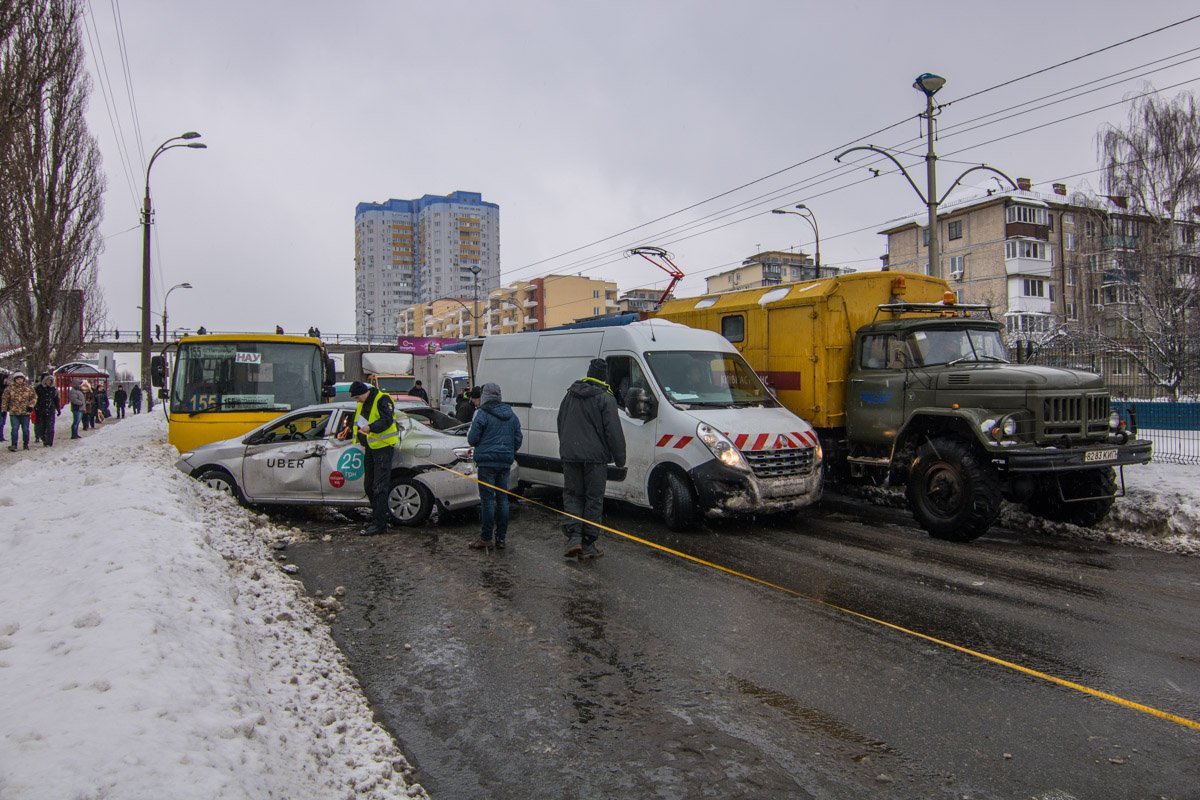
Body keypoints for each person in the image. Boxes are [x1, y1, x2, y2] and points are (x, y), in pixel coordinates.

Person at [556, 358, 626, 560]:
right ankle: (587, 544)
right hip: (595, 459)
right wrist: (620, 459)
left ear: (588, 373)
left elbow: (560, 422)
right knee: (593, 499)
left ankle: (574, 537)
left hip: (571, 456)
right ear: (604, 377)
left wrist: (567, 448)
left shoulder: (570, 395)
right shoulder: (605, 399)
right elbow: (613, 432)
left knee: (572, 495)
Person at [466, 382, 522, 550]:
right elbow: (518, 439)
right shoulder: (511, 415)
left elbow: (472, 439)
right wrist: (507, 451)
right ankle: (501, 539)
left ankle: (486, 538)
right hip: (505, 462)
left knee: (488, 501)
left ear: (485, 396)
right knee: (503, 499)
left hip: (486, 462)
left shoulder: (482, 413)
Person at [348, 380, 398, 536]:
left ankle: (380, 524)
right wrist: (348, 430)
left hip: (383, 447)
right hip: (370, 447)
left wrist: (371, 428)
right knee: (369, 485)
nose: (356, 401)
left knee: (379, 487)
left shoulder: (382, 399)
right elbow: (357, 421)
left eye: (357, 397)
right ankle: (378, 514)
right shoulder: (362, 404)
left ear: (363, 392)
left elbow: (387, 420)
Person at [2, 372, 36, 451]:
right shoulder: (9, 388)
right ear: (15, 380)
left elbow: (34, 397)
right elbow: (5, 399)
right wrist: (4, 410)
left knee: (25, 429)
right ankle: (14, 444)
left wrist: (31, 406)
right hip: (14, 412)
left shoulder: (28, 388)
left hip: (25, 413)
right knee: (14, 429)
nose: (20, 380)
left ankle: (26, 444)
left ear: (23, 379)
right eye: (18, 379)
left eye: (21, 378)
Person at [34, 374, 60, 447]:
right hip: (40, 410)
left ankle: (49, 441)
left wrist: (58, 409)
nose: (50, 382)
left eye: (51, 380)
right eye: (49, 380)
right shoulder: (38, 388)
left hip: (50, 409)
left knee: (50, 426)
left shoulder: (53, 389)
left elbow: (56, 400)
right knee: (41, 426)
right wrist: (36, 407)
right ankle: (44, 438)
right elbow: (35, 399)